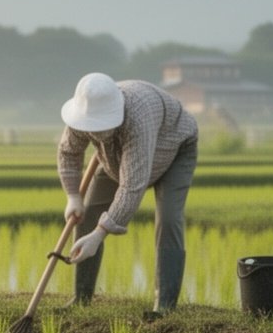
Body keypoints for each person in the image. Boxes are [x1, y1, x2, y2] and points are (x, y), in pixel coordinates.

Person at [57, 73, 199, 318]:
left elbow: (132, 185)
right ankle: (81, 298)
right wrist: (73, 197)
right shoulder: (81, 116)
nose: (95, 131)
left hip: (175, 146)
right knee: (88, 213)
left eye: (101, 125)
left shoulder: (137, 118)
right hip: (116, 158)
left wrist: (100, 235)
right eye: (93, 126)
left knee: (168, 219)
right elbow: (68, 153)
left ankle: (164, 305)